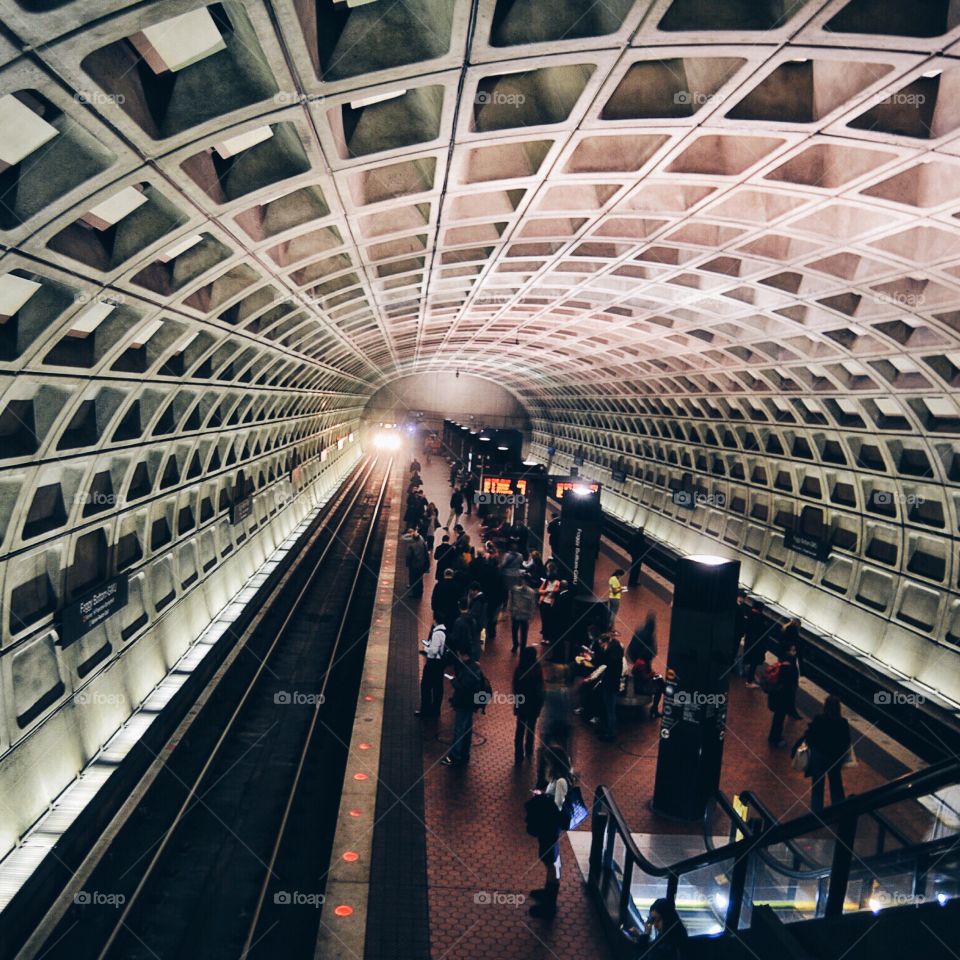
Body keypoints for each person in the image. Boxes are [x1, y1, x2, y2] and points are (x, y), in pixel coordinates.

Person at [528, 747, 574, 919]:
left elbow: (557, 805)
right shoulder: (557, 778)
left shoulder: (561, 781)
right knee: (548, 859)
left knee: (550, 861)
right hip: (549, 825)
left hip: (550, 826)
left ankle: (549, 904)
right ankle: (547, 892)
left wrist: (543, 798)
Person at [792, 695, 851, 811]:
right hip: (834, 758)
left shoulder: (819, 719)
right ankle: (838, 810)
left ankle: (817, 812)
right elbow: (846, 741)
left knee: (817, 787)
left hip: (818, 757)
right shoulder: (843, 722)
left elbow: (810, 737)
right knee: (836, 785)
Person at [441, 652, 483, 767]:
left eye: (461, 654)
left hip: (464, 703)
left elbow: (463, 687)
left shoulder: (468, 669)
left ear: (466, 655)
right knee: (467, 728)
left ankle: (455, 755)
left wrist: (453, 681)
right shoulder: (473, 667)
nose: (459, 657)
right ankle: (465, 752)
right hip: (469, 704)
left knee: (459, 729)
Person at [623, 897, 688, 959]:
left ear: (668, 918)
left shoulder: (671, 944)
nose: (655, 925)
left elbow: (644, 957)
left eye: (659, 920)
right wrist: (642, 937)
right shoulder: (665, 937)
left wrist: (645, 936)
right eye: (653, 920)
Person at [512, 647, 544, 765]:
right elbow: (540, 689)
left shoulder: (520, 669)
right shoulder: (537, 668)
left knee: (519, 730)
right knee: (531, 728)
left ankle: (518, 756)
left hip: (522, 704)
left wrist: (516, 704)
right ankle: (529, 749)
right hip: (534, 705)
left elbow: (516, 689)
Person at [767, 643, 800, 747]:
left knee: (777, 718)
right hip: (784, 697)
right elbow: (791, 685)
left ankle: (773, 737)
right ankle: (775, 739)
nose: (794, 653)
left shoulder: (782, 664)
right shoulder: (790, 668)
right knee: (779, 719)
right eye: (793, 651)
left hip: (778, 695)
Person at [415, 616, 447, 718]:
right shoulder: (445, 632)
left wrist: (426, 648)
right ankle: (435, 710)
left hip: (433, 663)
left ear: (435, 620)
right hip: (440, 663)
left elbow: (433, 651)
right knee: (438, 687)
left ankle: (425, 710)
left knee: (426, 686)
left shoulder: (437, 633)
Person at [597, 632, 624, 741]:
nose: (601, 646)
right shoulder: (616, 651)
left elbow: (603, 662)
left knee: (610, 710)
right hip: (613, 684)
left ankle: (611, 733)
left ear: (606, 642)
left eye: (601, 644)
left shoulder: (610, 655)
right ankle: (609, 731)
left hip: (610, 684)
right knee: (610, 709)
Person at [508, 576, 538, 653]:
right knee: (514, 631)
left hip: (525, 615)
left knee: (523, 633)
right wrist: (510, 611)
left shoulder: (531, 592)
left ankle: (522, 647)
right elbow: (511, 600)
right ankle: (515, 644)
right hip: (516, 614)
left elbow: (532, 605)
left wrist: (531, 616)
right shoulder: (514, 590)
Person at [743, 600, 767, 687]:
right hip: (756, 644)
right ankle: (749, 681)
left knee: (749, 658)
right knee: (754, 662)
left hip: (749, 641)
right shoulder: (759, 618)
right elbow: (762, 631)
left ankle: (748, 675)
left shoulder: (749, 614)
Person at [403, 528, 428, 599]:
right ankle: (420, 593)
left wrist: (407, 564)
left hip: (414, 565)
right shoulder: (422, 540)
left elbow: (408, 555)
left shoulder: (412, 545)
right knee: (420, 579)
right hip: (421, 564)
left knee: (413, 579)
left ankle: (414, 593)